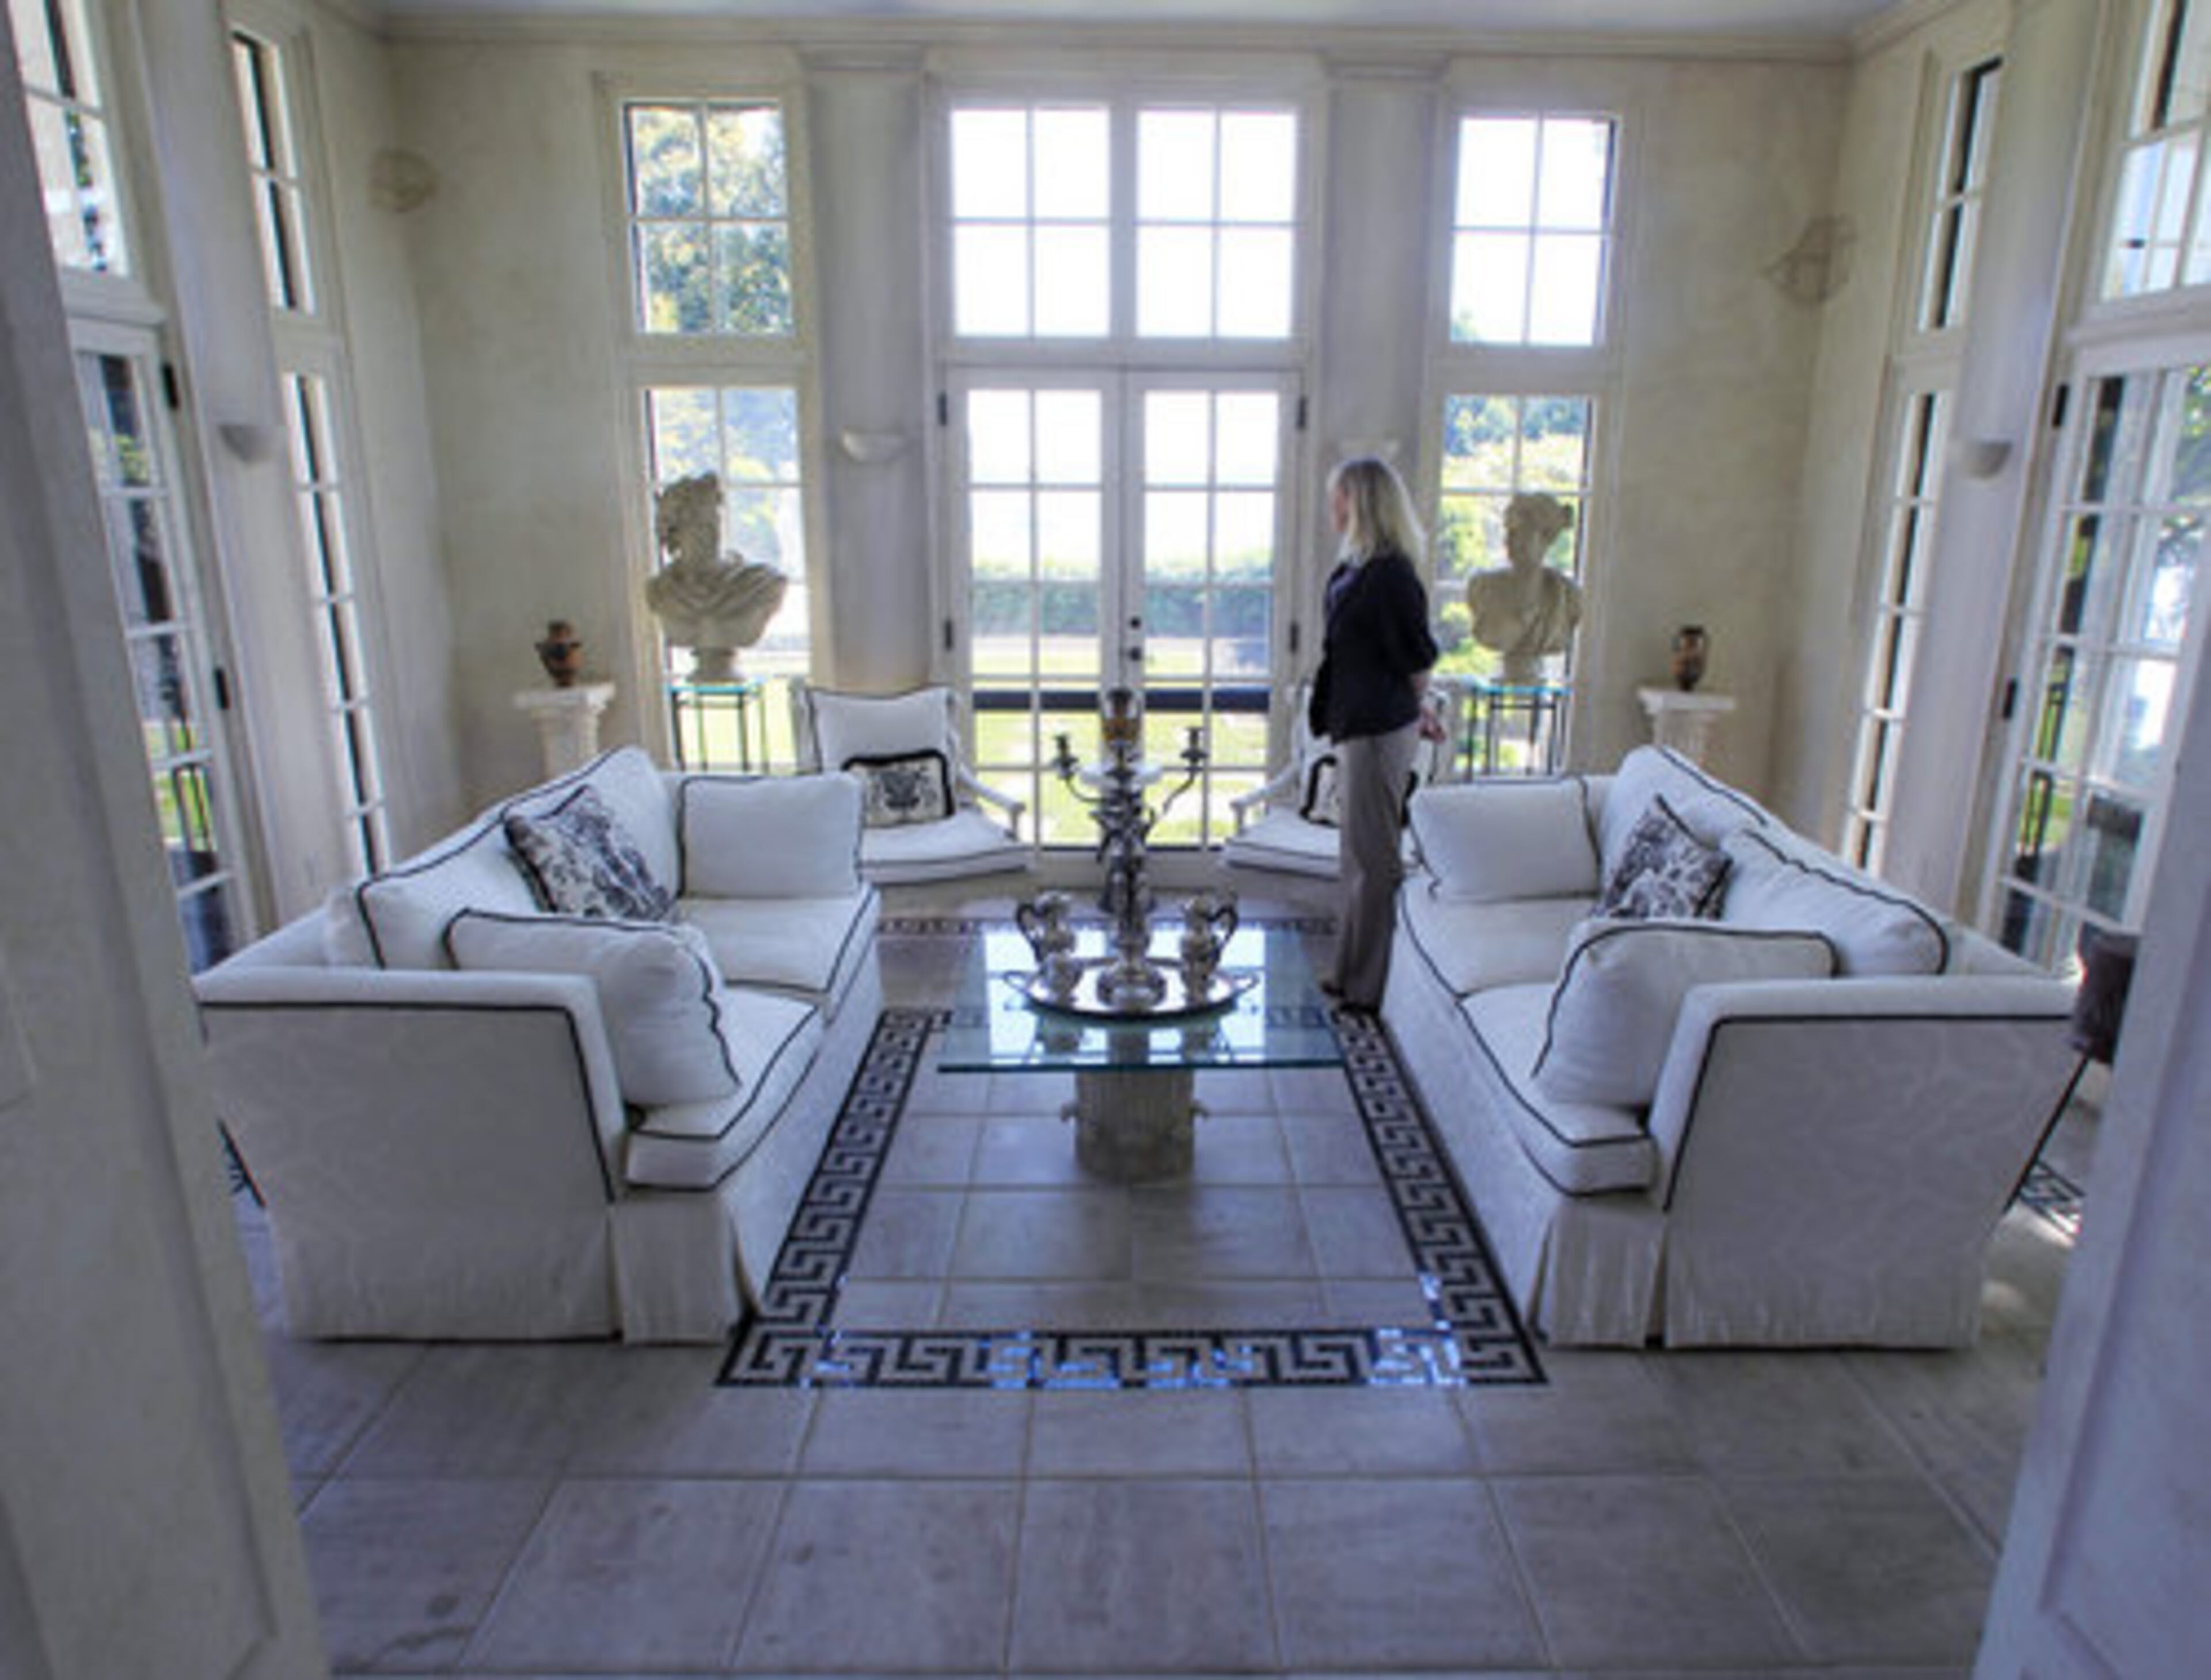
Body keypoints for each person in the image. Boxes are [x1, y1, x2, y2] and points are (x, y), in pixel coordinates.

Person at [1307, 457, 1442, 1010]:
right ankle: (1347, 970)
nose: (1333, 508)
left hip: (1380, 728)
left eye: (1339, 498)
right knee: (1355, 859)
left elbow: (1415, 655)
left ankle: (1368, 990)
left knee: (1375, 860)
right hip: (1356, 724)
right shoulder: (1353, 570)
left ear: (1361, 503)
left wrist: (1420, 706)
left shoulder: (1391, 576)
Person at [1465, 491, 1583, 684]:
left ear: (1546, 539)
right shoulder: (1483, 588)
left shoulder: (1569, 596)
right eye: (1509, 532)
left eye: (1521, 532)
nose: (1510, 541)